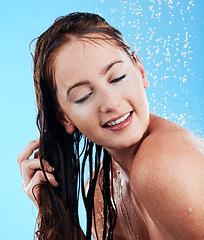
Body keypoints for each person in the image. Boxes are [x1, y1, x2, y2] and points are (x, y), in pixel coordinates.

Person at [17, 12, 204, 240]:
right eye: (83, 96)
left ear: (140, 71)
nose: (111, 104)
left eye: (117, 78)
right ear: (65, 118)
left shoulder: (162, 167)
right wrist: (59, 217)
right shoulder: (100, 193)